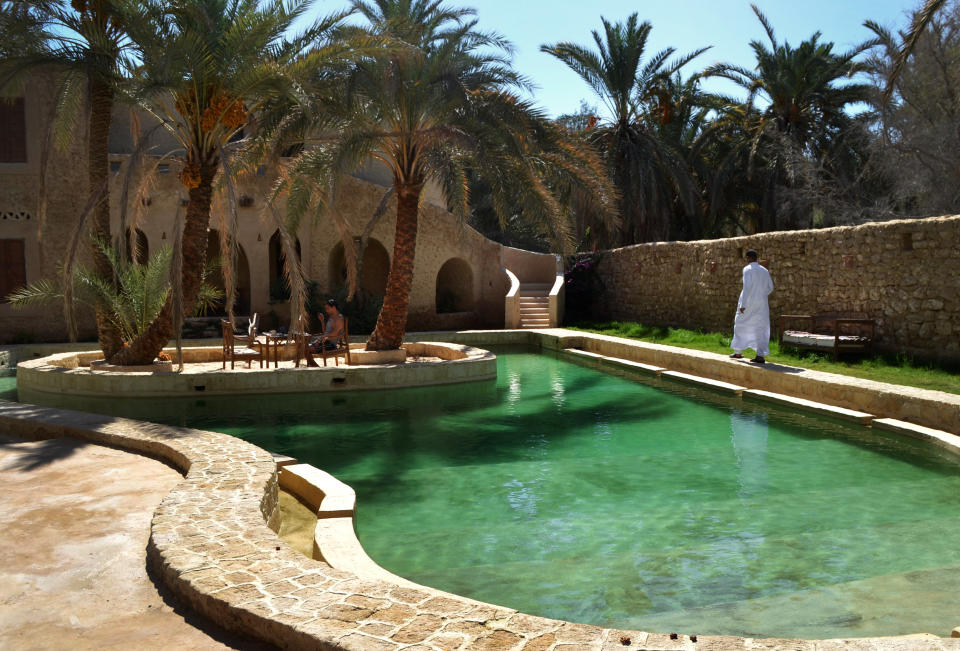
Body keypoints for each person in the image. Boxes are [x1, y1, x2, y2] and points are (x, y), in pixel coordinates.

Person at [730, 249, 774, 364]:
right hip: (762, 304)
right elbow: (770, 287)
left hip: (748, 303)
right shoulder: (764, 270)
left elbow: (747, 288)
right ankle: (760, 356)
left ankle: (738, 352)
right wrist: (761, 295)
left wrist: (743, 305)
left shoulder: (747, 269)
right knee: (761, 327)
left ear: (748, 258)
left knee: (740, 324)